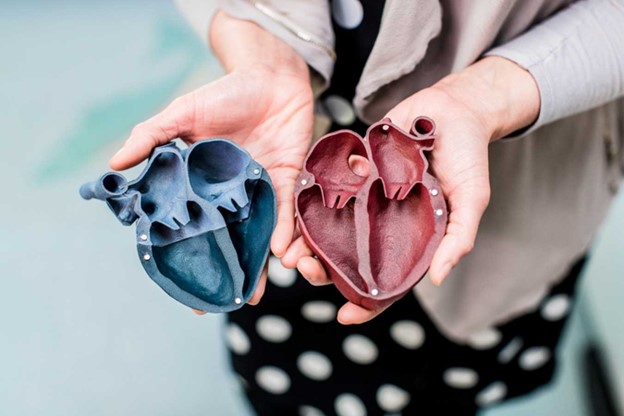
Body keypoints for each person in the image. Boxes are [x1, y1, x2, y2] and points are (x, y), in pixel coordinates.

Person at [110, 0, 624, 414]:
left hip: (509, 195)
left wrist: (496, 93)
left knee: (453, 378)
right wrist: (265, 47)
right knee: (291, 368)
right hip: (282, 179)